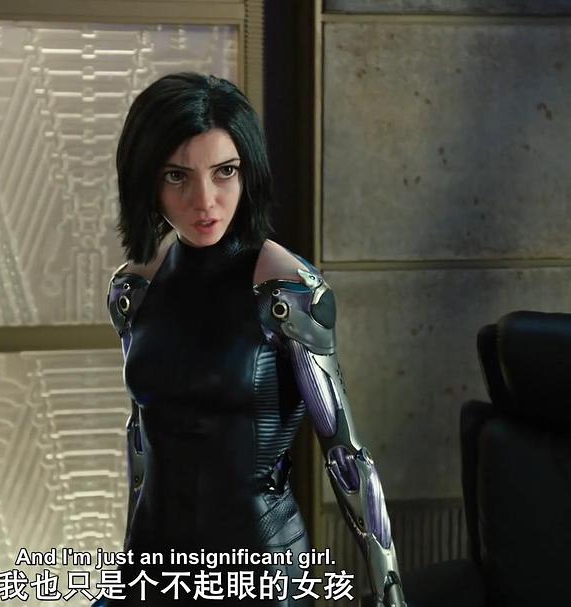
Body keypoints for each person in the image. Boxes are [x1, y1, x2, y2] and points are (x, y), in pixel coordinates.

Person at [102, 72, 406, 606]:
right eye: (177, 176)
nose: (205, 201)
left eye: (225, 172)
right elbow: (142, 436)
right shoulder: (133, 289)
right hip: (153, 563)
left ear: (249, 172)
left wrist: (390, 590)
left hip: (259, 564)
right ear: (146, 179)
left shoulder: (287, 289)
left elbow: (346, 455)